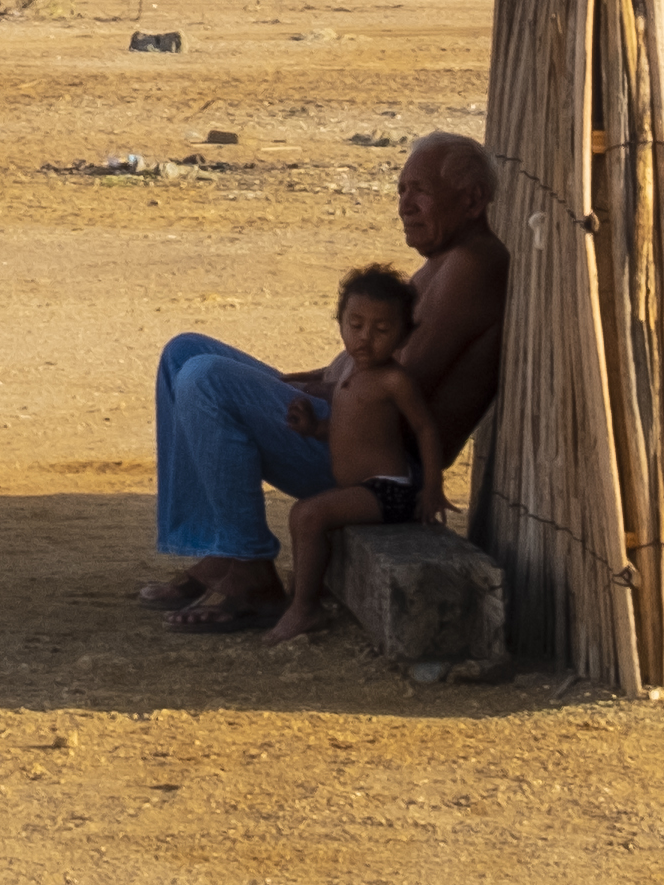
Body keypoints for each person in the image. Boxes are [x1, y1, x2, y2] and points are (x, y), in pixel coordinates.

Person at [145, 131, 511, 631]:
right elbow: (350, 369)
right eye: (401, 190)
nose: (405, 206)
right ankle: (218, 551)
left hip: (378, 466)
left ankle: (251, 572)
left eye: (420, 191)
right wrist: (289, 386)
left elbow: (397, 393)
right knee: (184, 352)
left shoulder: (473, 265)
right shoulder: (441, 263)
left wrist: (292, 398)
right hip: (345, 426)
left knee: (207, 379)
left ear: (472, 200)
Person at [251, 262, 434, 651]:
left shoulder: (393, 380)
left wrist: (432, 488)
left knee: (307, 514)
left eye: (382, 330)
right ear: (340, 322)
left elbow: (425, 429)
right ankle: (304, 596)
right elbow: (352, 431)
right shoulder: (350, 375)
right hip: (360, 487)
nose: (366, 338)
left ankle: (305, 608)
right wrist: (313, 430)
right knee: (308, 513)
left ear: (403, 337)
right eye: (355, 325)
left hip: (390, 491)